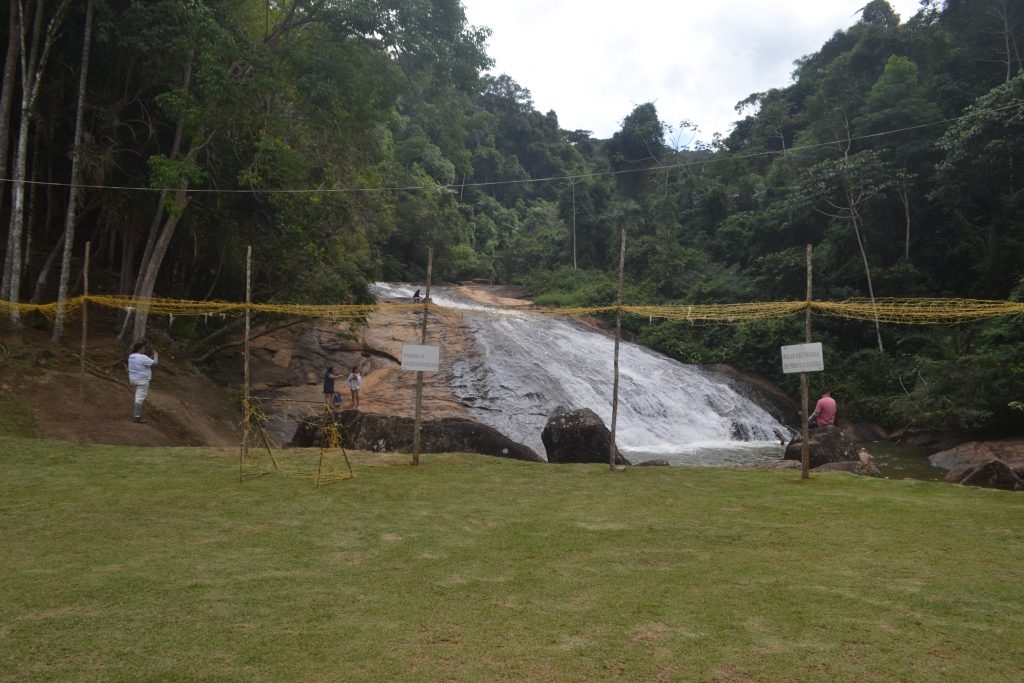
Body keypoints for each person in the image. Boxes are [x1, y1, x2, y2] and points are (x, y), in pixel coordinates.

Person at [127, 341, 158, 423]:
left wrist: (149, 358)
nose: (144, 350)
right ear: (140, 349)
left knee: (138, 397)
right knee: (139, 399)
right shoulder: (142, 357)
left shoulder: (131, 356)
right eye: (143, 348)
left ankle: (137, 415)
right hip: (142, 381)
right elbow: (154, 364)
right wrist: (155, 355)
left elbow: (142, 362)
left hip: (133, 379)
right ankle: (137, 417)